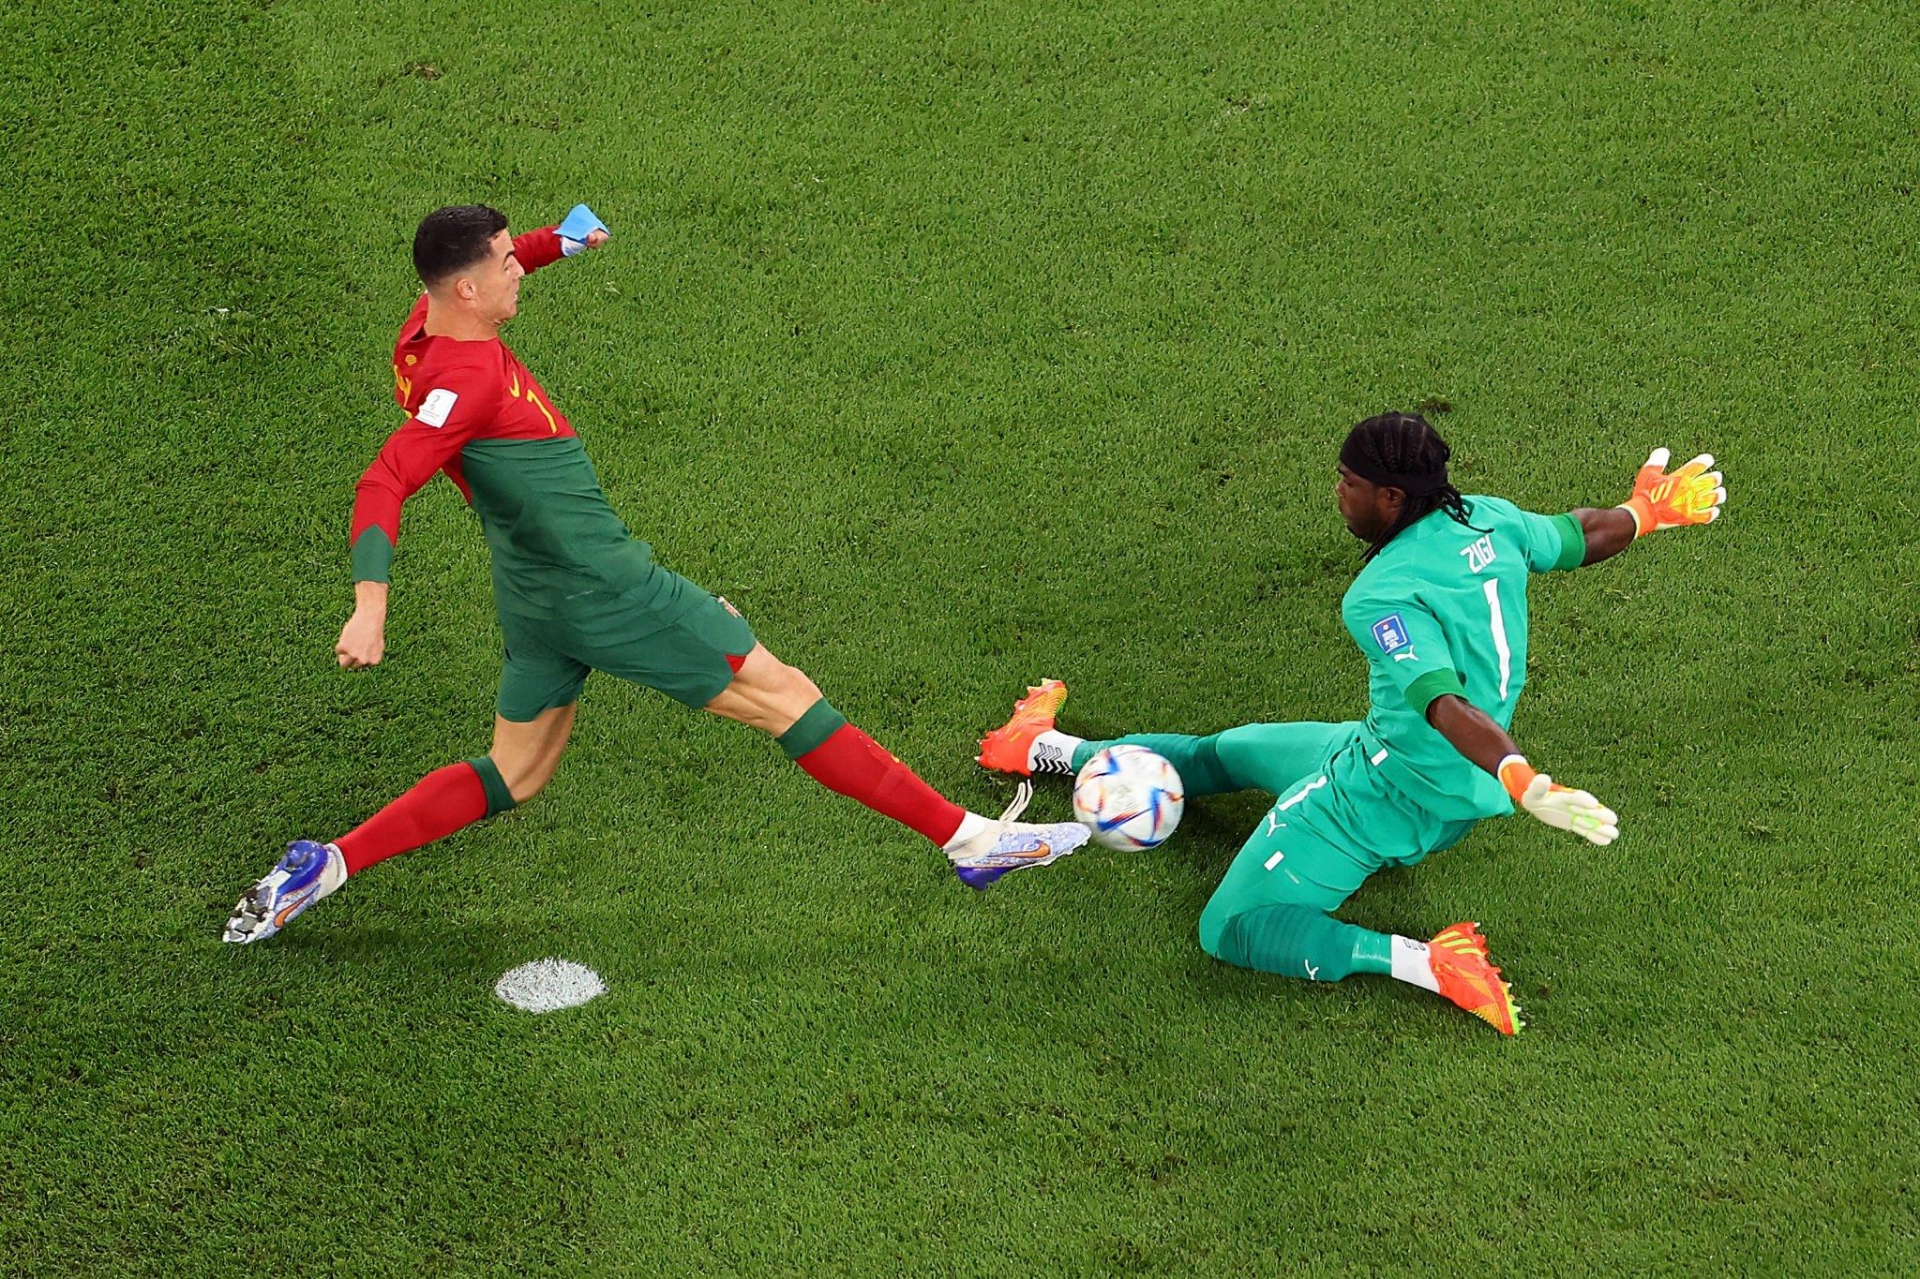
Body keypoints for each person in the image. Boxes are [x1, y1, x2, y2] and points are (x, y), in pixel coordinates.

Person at [223, 204, 1087, 944]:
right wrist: (369, 605)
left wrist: (554, 242)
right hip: (610, 588)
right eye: (502, 265)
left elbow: (498, 266)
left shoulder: (425, 332)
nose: (512, 269)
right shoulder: (472, 377)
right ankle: (967, 839)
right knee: (786, 696)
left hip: (534, 595)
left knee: (513, 774)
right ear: (468, 291)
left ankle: (327, 865)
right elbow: (384, 478)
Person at [977, 412, 1725, 1033]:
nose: (1337, 493)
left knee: (1229, 927)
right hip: (1434, 775)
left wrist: (1522, 776)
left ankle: (1430, 962)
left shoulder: (1380, 594)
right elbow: (1577, 535)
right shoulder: (1491, 520)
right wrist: (1645, 513)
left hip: (1378, 792)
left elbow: (1442, 704)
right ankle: (1042, 747)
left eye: (1349, 483)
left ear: (1392, 497)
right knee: (1224, 753)